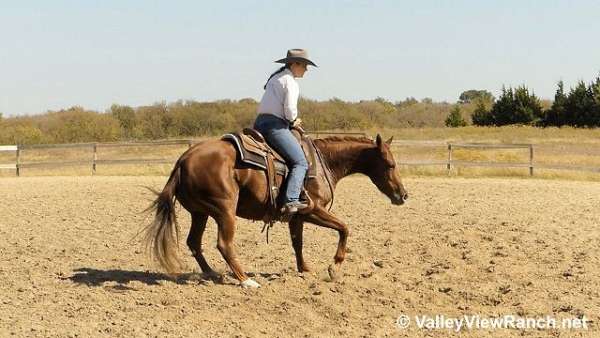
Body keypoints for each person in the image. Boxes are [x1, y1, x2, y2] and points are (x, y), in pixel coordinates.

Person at [254, 49, 317, 214]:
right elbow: (289, 110)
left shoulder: (275, 78)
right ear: (294, 64)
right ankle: (291, 200)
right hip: (275, 126)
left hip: (259, 124)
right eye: (304, 65)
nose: (306, 69)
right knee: (301, 162)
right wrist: (294, 120)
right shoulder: (290, 82)